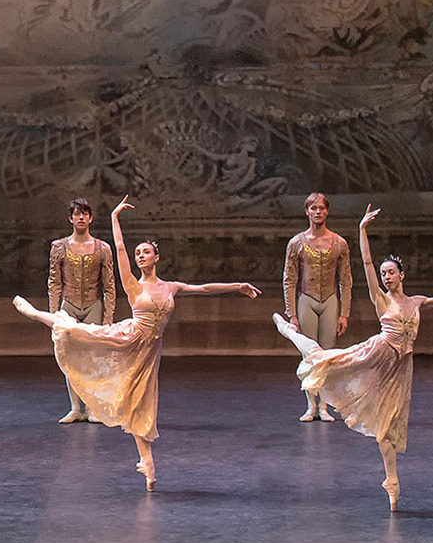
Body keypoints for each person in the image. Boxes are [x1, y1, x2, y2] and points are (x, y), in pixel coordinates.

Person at [14, 197, 260, 490]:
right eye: (138, 253)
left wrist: (238, 286)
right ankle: (35, 313)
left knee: (141, 403)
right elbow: (119, 248)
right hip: (129, 337)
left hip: (150, 352)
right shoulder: (133, 284)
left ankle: (147, 463)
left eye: (146, 252)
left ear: (157, 257)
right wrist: (115, 217)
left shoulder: (171, 287)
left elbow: (205, 288)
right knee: (80, 332)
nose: (140, 256)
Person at [275, 207, 433, 509]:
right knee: (325, 360)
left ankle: (392, 481)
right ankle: (288, 331)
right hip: (376, 354)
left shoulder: (416, 301)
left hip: (400, 369)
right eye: (383, 274)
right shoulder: (381, 299)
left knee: (388, 427)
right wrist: (362, 230)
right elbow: (366, 262)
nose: (387, 277)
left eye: (391, 273)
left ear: (402, 275)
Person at [280, 191, 350, 422]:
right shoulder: (296, 243)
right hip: (307, 299)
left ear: (327, 211)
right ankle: (311, 405)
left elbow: (345, 280)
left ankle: (324, 406)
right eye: (314, 208)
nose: (318, 212)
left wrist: (344, 313)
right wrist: (292, 314)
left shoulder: (339, 243)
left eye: (321, 208)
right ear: (307, 211)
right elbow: (289, 280)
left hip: (329, 299)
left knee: (327, 356)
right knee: (309, 354)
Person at [46, 198, 115, 424]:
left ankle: (92, 408)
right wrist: (54, 315)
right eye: (77, 214)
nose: (81, 217)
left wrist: (108, 319)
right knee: (70, 359)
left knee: (93, 359)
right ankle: (75, 408)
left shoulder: (102, 248)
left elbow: (109, 285)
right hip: (69, 306)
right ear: (71, 218)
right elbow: (54, 282)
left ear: (91, 218)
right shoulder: (59, 247)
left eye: (85, 213)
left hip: (93, 305)